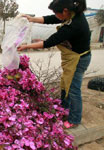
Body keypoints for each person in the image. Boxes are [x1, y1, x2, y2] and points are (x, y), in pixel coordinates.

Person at [17, 0, 91, 129]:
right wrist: (32, 19)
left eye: (57, 13)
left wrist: (26, 46)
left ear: (65, 11)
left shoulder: (73, 26)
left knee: (73, 89)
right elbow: (51, 19)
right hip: (73, 57)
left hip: (78, 59)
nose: (56, 16)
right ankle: (64, 109)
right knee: (65, 84)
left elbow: (50, 41)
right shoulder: (71, 14)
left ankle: (74, 119)